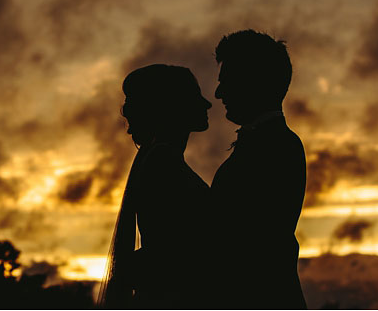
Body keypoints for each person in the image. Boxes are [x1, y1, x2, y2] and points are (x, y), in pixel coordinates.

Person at [100, 64, 213, 309]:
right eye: (194, 96)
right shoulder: (163, 162)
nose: (208, 104)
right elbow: (171, 252)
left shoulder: (159, 158)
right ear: (172, 104)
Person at [210, 29, 307, 309]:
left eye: (225, 81)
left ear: (251, 82)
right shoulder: (271, 142)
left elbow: (245, 245)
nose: (218, 93)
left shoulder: (277, 146)